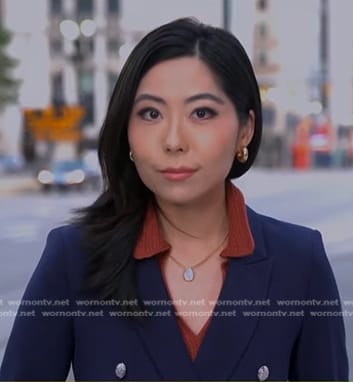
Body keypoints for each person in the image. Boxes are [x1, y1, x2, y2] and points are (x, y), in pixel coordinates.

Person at [0, 18, 349, 381]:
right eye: (151, 114)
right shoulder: (74, 257)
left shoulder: (299, 262)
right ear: (127, 131)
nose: (173, 141)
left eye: (201, 113)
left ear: (246, 128)